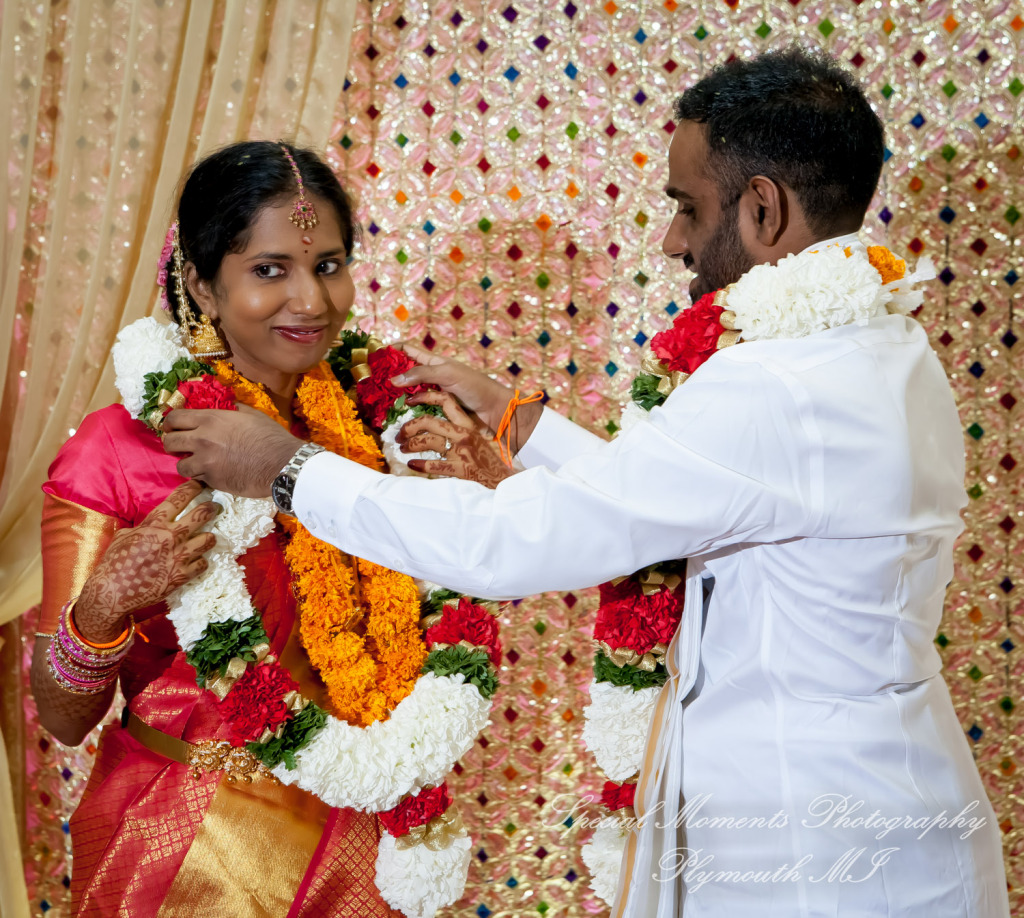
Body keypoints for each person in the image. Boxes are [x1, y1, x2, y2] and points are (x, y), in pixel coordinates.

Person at [162, 49, 1011, 917]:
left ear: (764, 208)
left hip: (810, 842)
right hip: (881, 794)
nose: (672, 240)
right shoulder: (885, 347)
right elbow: (694, 490)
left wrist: (286, 468)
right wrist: (523, 425)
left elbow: (507, 543)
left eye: (688, 208)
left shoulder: (774, 384)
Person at [32, 141, 404, 917]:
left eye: (329, 264)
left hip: (365, 834)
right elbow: (63, 720)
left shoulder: (380, 429)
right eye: (270, 270)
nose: (311, 300)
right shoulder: (116, 449)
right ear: (201, 283)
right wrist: (103, 607)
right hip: (188, 847)